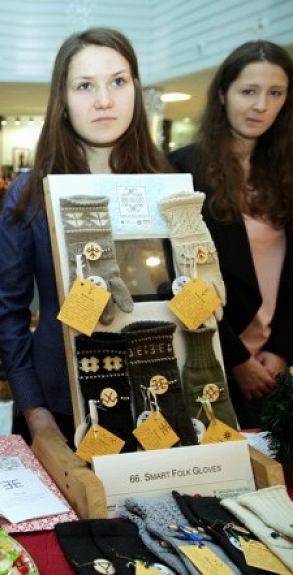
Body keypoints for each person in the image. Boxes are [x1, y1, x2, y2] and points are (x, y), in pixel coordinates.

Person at [0, 28, 170, 444]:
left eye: (118, 82)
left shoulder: (166, 186)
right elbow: (9, 315)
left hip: (157, 399)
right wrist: (34, 411)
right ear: (64, 101)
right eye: (85, 85)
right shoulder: (32, 193)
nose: (103, 100)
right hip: (58, 408)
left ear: (136, 90)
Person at [168, 41, 293, 429]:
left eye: (275, 93)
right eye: (248, 91)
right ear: (223, 93)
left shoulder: (287, 169)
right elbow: (178, 281)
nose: (261, 105)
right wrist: (237, 359)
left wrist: (281, 349)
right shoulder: (181, 168)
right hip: (208, 353)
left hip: (273, 361)